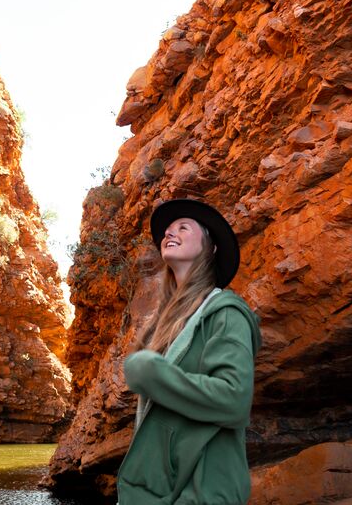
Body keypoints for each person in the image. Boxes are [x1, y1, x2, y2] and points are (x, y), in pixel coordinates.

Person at [117, 199, 262, 504]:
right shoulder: (165, 325)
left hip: (205, 488)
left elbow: (235, 399)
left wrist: (153, 373)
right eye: (167, 231)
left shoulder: (227, 313)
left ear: (211, 248)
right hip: (163, 489)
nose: (170, 233)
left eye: (183, 227)